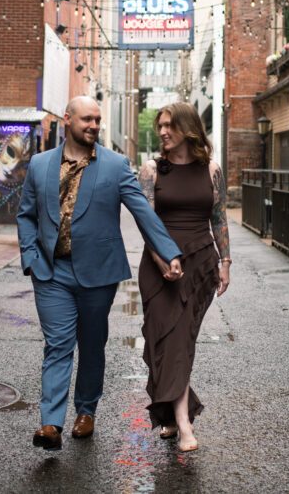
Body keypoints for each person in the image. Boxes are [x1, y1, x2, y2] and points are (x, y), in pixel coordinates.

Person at [17, 96, 184, 451]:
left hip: (98, 274)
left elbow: (143, 213)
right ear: (67, 120)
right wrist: (31, 257)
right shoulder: (40, 164)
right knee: (58, 345)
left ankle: (86, 409)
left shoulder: (115, 165)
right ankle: (50, 423)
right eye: (87, 119)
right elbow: (26, 215)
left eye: (97, 120)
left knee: (92, 345)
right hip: (51, 272)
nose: (94, 125)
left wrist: (168, 252)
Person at [137, 102, 231, 453]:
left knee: (181, 340)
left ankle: (176, 418)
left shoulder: (211, 170)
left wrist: (226, 262)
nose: (162, 131)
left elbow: (219, 218)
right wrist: (162, 259)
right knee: (163, 339)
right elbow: (146, 222)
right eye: (160, 126)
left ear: (187, 128)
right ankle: (182, 419)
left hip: (200, 265)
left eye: (168, 126)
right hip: (159, 265)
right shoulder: (151, 170)